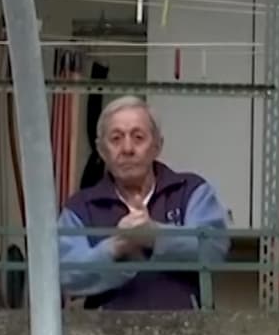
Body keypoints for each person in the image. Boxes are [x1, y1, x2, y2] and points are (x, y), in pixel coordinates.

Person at [57, 95, 230, 310]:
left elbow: (214, 249)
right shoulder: (81, 207)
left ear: (157, 146)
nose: (127, 148)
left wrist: (154, 236)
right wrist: (116, 246)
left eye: (138, 137)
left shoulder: (190, 190)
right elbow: (66, 275)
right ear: (102, 150)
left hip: (186, 334)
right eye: (116, 139)